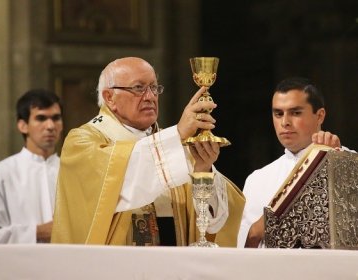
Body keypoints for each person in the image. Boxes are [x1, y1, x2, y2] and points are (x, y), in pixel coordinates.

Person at [51, 57, 245, 246]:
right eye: (138, 88)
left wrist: (202, 171)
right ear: (109, 97)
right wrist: (177, 134)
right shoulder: (83, 142)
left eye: (154, 88)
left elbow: (217, 219)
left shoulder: (171, 147)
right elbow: (120, 183)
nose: (150, 96)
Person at [237, 77, 355, 248]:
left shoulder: (349, 160)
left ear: (320, 115)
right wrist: (261, 227)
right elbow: (243, 247)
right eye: (278, 113)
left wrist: (338, 162)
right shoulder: (257, 179)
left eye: (295, 113)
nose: (285, 122)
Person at [0, 89, 63, 243]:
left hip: (68, 263)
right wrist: (37, 232)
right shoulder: (0, 174)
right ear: (23, 125)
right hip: (17, 264)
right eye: (41, 118)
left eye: (56, 118)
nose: (50, 126)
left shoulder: (74, 172)